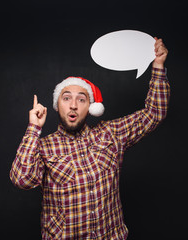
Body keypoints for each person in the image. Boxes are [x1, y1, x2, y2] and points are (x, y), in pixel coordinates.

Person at [10, 37, 170, 240]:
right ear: (57, 105)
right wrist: (33, 128)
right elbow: (21, 179)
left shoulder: (111, 133)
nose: (74, 105)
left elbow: (154, 112)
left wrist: (158, 66)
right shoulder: (43, 147)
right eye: (66, 98)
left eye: (81, 99)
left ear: (91, 108)